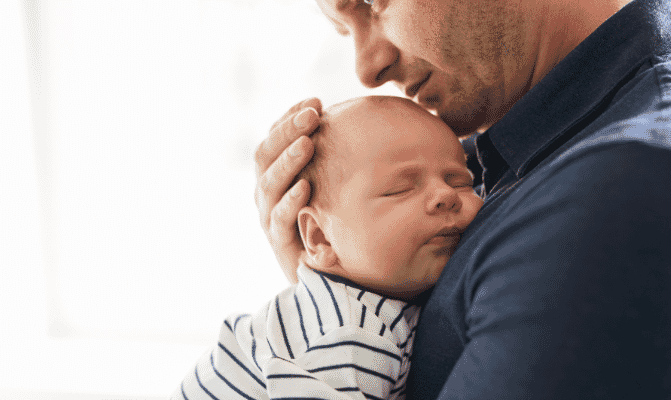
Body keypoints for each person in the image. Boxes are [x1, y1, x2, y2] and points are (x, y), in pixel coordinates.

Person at [255, 0, 671, 398]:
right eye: (345, 29)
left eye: (372, 2)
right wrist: (342, 291)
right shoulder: (521, 164)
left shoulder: (622, 194)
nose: (369, 66)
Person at [175, 96, 483, 399]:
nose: (446, 194)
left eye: (460, 181)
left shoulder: (367, 309)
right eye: (400, 189)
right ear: (320, 237)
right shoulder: (351, 333)